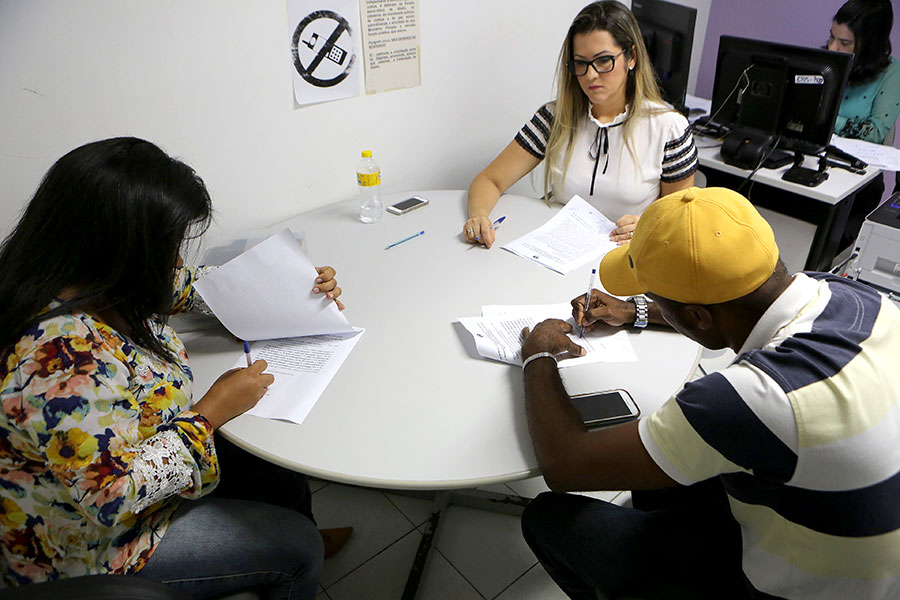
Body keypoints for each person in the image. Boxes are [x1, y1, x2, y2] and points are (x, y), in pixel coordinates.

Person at [0, 137, 348, 599]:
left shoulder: (98, 274)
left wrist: (293, 286)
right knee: (298, 547)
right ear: (121, 247)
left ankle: (296, 541)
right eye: (168, 247)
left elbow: (187, 287)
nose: (176, 261)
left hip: (148, 446)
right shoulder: (57, 361)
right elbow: (112, 496)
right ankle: (297, 558)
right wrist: (209, 413)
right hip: (96, 549)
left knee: (275, 466)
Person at [518, 186, 900, 599]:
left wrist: (539, 355)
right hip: (865, 554)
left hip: (800, 591)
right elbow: (726, 306)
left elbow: (564, 466)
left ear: (697, 317)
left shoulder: (751, 396)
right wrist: (635, 310)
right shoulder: (855, 296)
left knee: (546, 518)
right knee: (657, 455)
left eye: (651, 296)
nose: (645, 300)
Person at [463, 0, 697, 249]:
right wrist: (479, 216)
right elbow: (489, 180)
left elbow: (680, 221)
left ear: (632, 57)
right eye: (580, 63)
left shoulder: (669, 128)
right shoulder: (555, 117)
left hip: (626, 262)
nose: (591, 75)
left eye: (603, 60)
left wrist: (649, 226)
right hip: (559, 254)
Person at [826, 0, 900, 249]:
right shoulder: (825, 61)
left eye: (844, 43)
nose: (833, 48)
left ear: (870, 45)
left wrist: (827, 119)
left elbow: (874, 132)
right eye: (831, 37)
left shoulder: (892, 74)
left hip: (856, 184)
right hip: (816, 165)